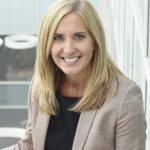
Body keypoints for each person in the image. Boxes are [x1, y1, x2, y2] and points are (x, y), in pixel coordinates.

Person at [3, 0, 146, 149]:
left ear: (95, 41)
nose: (68, 49)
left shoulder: (125, 98)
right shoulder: (40, 85)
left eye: (79, 37)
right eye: (58, 37)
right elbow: (29, 146)